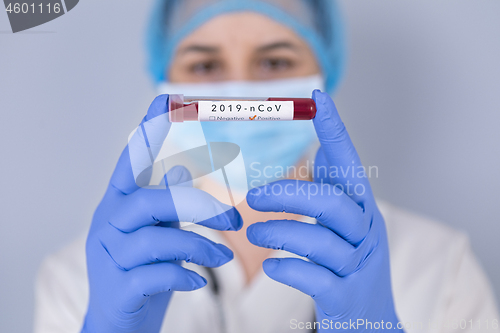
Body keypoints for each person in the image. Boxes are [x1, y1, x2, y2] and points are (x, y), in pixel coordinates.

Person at [34, 1, 499, 332]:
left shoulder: (439, 265)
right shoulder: (80, 277)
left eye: (275, 61)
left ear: (325, 73)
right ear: (165, 78)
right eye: (204, 67)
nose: (241, 93)